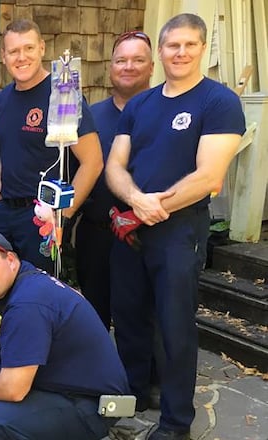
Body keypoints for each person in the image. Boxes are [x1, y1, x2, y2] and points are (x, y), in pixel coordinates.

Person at [106, 14, 245, 440]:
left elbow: (209, 176)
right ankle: (132, 395)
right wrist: (135, 200)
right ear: (160, 52)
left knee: (175, 326)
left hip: (180, 231)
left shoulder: (218, 102)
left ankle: (175, 423)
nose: (180, 53)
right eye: (172, 46)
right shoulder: (142, 104)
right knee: (128, 317)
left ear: (201, 48)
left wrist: (156, 206)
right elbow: (115, 165)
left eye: (188, 45)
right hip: (133, 225)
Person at [0, 230, 130, 439]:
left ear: (10, 259)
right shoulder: (9, 282)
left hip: (93, 404)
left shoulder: (28, 304)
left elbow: (14, 389)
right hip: (61, 378)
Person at [0, 19, 103, 274]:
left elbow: (93, 162)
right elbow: (6, 151)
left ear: (41, 48)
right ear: (4, 56)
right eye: (13, 51)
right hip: (5, 212)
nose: (21, 57)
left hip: (42, 217)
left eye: (28, 48)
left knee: (39, 293)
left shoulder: (64, 94)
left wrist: (63, 215)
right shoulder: (4, 97)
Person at [79, 30, 154, 328]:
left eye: (138, 60)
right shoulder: (91, 117)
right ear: (110, 67)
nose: (128, 66)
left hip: (144, 235)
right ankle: (99, 374)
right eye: (121, 60)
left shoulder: (162, 112)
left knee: (139, 320)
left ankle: (140, 376)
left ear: (151, 66)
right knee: (95, 317)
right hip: (95, 234)